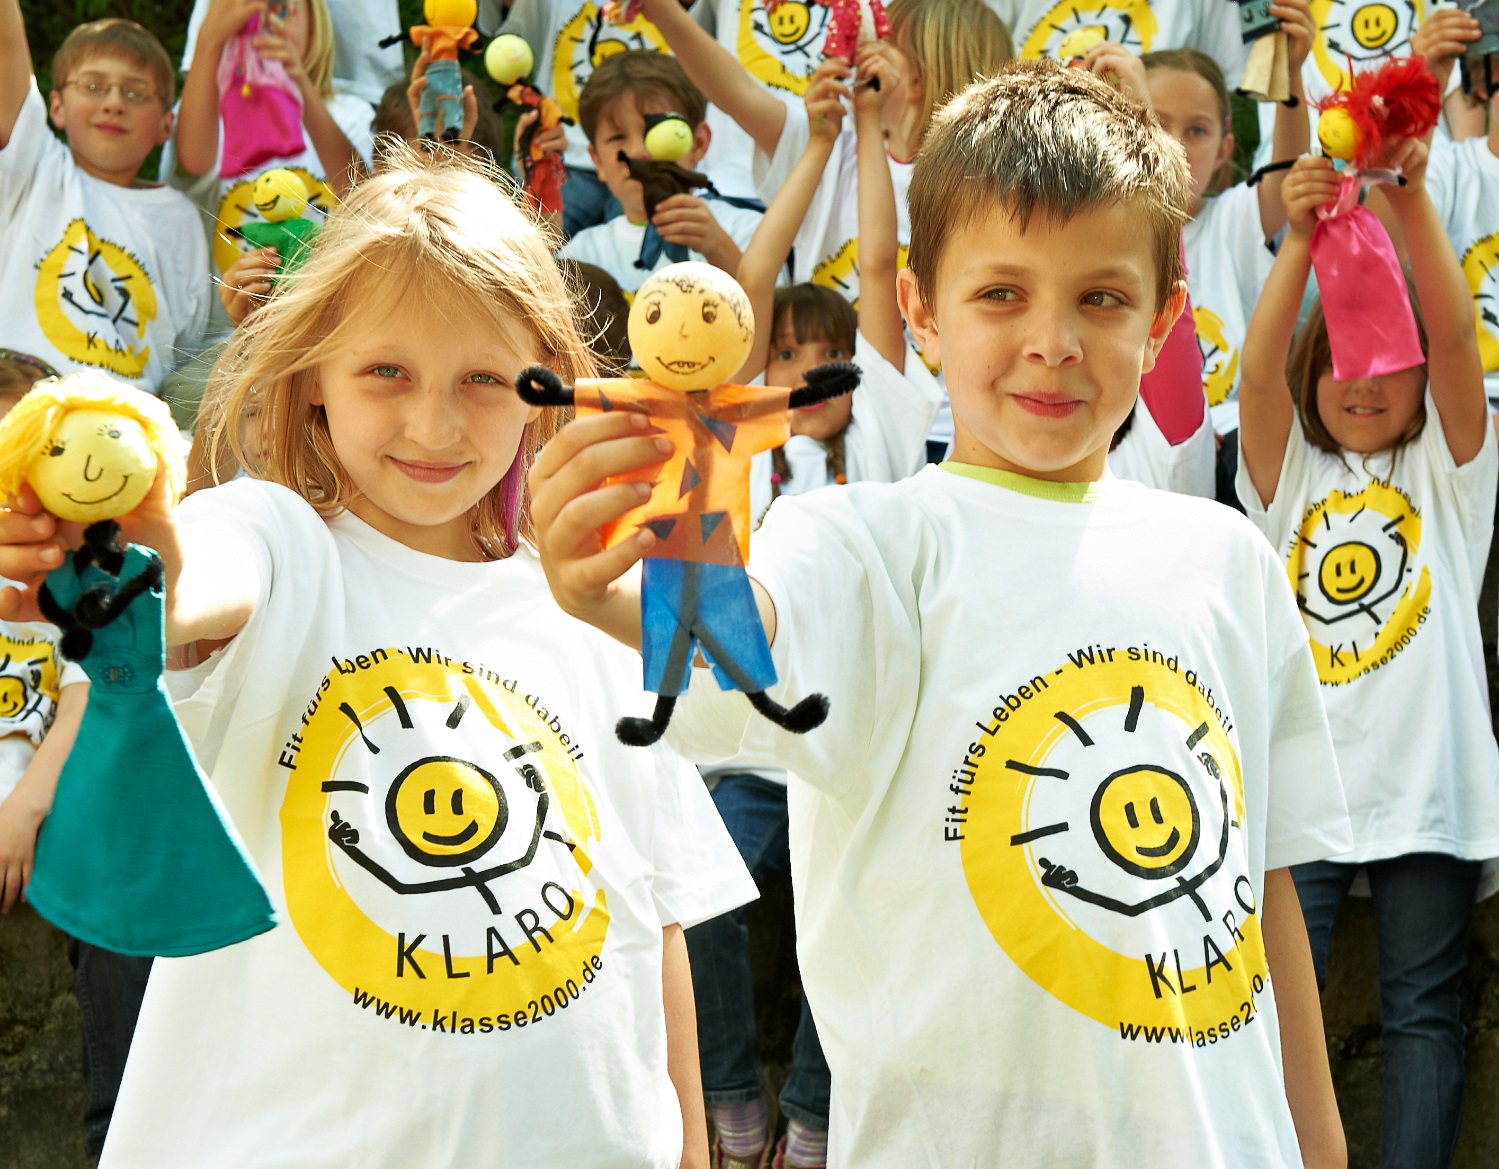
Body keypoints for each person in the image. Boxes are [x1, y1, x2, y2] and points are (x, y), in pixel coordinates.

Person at [529, 60, 1354, 1167]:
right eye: (1000, 292)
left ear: (1163, 319)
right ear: (917, 310)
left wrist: (1321, 1148)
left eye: (1098, 296)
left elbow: (1263, 891)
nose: (1052, 340)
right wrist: (616, 582)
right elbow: (740, 633)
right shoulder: (867, 540)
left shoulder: (1228, 561)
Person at [0, 146, 755, 1169]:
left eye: (482, 378)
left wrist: (692, 1149)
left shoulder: (591, 606)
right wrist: (137, 550)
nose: (434, 423)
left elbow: (654, 914)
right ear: (314, 378)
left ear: (539, 384)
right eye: (385, 370)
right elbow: (196, 573)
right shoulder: (277, 537)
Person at [685, 54, 938, 1169]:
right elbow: (747, 280)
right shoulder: (738, 424)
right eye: (784, 356)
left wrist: (874, 138)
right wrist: (814, 150)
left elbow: (876, 264)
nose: (808, 372)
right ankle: (730, 1092)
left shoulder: (881, 419)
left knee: (877, 910)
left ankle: (815, 1109)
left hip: (861, 735)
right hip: (747, 744)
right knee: (698, 888)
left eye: (827, 356)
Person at [1235, 141, 1499, 1169]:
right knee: (1266, 1007)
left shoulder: (1450, 471)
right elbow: (1253, 371)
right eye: (1342, 357)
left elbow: (1454, 342)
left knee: (1422, 1010)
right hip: (1301, 793)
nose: (1362, 381)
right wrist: (1297, 241)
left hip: (1428, 789)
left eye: (1386, 362)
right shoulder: (1283, 476)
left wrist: (1408, 198)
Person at [639, 0, 1011, 459]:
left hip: (929, 425)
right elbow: (733, 92)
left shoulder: (987, 183)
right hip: (809, 415)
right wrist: (663, 13)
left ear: (917, 76)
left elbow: (878, 266)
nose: (860, 51)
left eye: (884, 43)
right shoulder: (833, 139)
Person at [0, 8, 210, 395]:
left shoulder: (181, 218)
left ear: (167, 123)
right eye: (93, 86)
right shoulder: (35, 166)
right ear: (57, 107)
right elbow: (5, 44)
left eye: (136, 93)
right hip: (17, 397)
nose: (114, 103)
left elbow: (186, 348)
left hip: (125, 422)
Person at [169, 0, 376, 344]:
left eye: (282, 8)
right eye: (243, 9)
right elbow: (193, 162)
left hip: (331, 339)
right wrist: (209, 42)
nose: (263, 22)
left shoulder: (349, 113)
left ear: (317, 25)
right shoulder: (204, 111)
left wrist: (300, 87)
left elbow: (365, 200)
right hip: (225, 341)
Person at [559, 52, 765, 294]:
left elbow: (769, 321)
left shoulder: (747, 231)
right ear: (598, 162)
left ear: (697, 143)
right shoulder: (580, 256)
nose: (638, 152)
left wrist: (718, 249)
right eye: (617, 137)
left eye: (657, 133)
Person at [1409, 8, 1499, 405]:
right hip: (1457, 409)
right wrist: (1419, 91)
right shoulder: (1451, 170)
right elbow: (1378, 247)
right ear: (1486, 80)